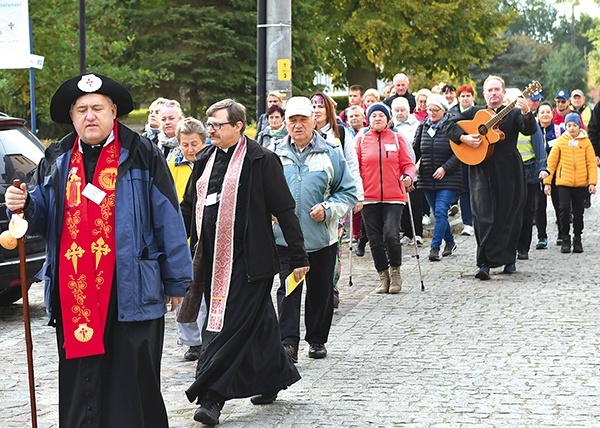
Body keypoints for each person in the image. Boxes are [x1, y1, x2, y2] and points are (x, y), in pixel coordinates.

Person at [4, 73, 193, 428]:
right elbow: (42, 214)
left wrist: (177, 281)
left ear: (113, 112)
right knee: (81, 381)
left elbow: (168, 217)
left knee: (132, 382)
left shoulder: (141, 153)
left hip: (130, 289)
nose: (90, 116)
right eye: (81, 110)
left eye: (97, 108)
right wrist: (24, 203)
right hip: (75, 290)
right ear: (72, 117)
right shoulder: (58, 156)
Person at [178, 99, 309, 425]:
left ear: (238, 126)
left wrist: (298, 256)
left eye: (217, 125)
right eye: (209, 125)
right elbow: (188, 206)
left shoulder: (262, 160)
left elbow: (285, 210)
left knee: (223, 327)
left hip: (251, 263)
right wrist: (177, 246)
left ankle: (211, 396)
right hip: (211, 262)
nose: (211, 131)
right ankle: (275, 376)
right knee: (261, 324)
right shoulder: (205, 158)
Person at [273, 96, 357, 362]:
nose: (298, 126)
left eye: (303, 120)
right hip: (285, 239)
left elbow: (348, 192)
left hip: (322, 237)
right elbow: (260, 191)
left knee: (320, 291)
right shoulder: (275, 153)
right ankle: (288, 343)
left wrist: (328, 209)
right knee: (288, 290)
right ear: (285, 123)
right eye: (293, 121)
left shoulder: (331, 152)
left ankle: (317, 339)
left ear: (314, 121)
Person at [442, 75, 537, 280]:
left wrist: (527, 112)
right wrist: (464, 137)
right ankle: (483, 262)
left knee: (509, 214)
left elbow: (529, 129)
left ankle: (508, 258)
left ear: (503, 93)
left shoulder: (512, 113)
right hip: (481, 169)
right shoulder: (475, 112)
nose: (494, 93)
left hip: (509, 170)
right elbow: (447, 126)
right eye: (490, 90)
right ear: (484, 94)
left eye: (497, 90)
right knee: (483, 215)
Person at [356, 103, 415, 293]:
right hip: (369, 197)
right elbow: (354, 168)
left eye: (382, 115)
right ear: (369, 119)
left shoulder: (397, 139)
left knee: (391, 235)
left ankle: (396, 272)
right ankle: (383, 276)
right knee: (374, 239)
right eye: (374, 116)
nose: (378, 118)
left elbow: (408, 164)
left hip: (394, 196)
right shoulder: (361, 139)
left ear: (388, 119)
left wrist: (408, 177)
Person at [168, 117, 208, 362]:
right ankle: (191, 341)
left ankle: (206, 338)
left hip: (204, 233)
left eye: (195, 144)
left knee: (203, 291)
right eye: (185, 145)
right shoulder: (173, 164)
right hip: (181, 232)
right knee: (184, 288)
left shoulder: (211, 164)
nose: (190, 149)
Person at [413, 94, 461, 261]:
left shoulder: (451, 126)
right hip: (427, 177)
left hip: (448, 178)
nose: (431, 113)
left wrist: (445, 168)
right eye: (429, 110)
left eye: (435, 110)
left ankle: (435, 248)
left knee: (441, 211)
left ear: (443, 110)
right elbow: (415, 150)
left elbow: (460, 152)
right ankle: (450, 241)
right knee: (437, 213)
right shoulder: (423, 127)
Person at [543, 113, 597, 253]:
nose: (572, 128)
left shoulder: (586, 142)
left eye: (574, 125)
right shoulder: (560, 141)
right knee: (564, 209)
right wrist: (547, 182)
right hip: (563, 182)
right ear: (565, 127)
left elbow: (591, 163)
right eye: (569, 126)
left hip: (580, 183)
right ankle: (565, 237)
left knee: (578, 212)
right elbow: (551, 163)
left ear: (579, 126)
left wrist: (592, 183)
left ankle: (577, 238)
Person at [515, 93, 548, 260]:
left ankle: (523, 247)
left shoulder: (531, 121)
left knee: (527, 211)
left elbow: (539, 146)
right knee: (512, 210)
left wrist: (542, 167)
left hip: (529, 168)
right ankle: (511, 245)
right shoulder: (508, 121)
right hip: (511, 169)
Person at [448, 84, 476, 236]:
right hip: (460, 156)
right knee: (464, 190)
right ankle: (467, 223)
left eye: (468, 95)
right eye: (463, 96)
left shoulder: (480, 112)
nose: (465, 98)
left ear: (473, 97)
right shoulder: (452, 113)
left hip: (479, 154)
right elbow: (449, 130)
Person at [534, 101, 562, 249]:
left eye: (548, 112)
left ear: (552, 114)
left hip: (557, 173)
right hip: (538, 174)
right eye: (542, 112)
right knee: (539, 206)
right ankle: (542, 236)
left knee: (560, 205)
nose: (545, 115)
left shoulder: (559, 131)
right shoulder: (533, 131)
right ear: (537, 115)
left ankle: (562, 234)